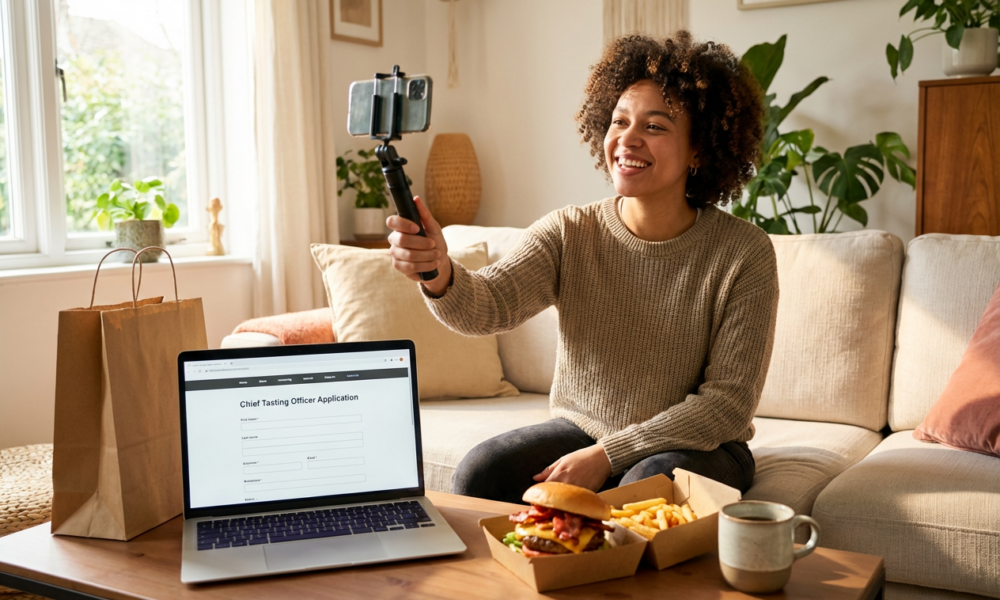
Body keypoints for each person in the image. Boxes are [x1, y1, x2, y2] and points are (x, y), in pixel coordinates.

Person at [387, 31, 778, 504]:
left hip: (701, 445)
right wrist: (438, 271)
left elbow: (727, 406)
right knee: (481, 474)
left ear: (699, 149)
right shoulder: (570, 232)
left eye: (655, 126)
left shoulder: (743, 252)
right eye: (620, 121)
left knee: (643, 488)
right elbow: (487, 306)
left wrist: (608, 455)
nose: (628, 139)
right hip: (584, 431)